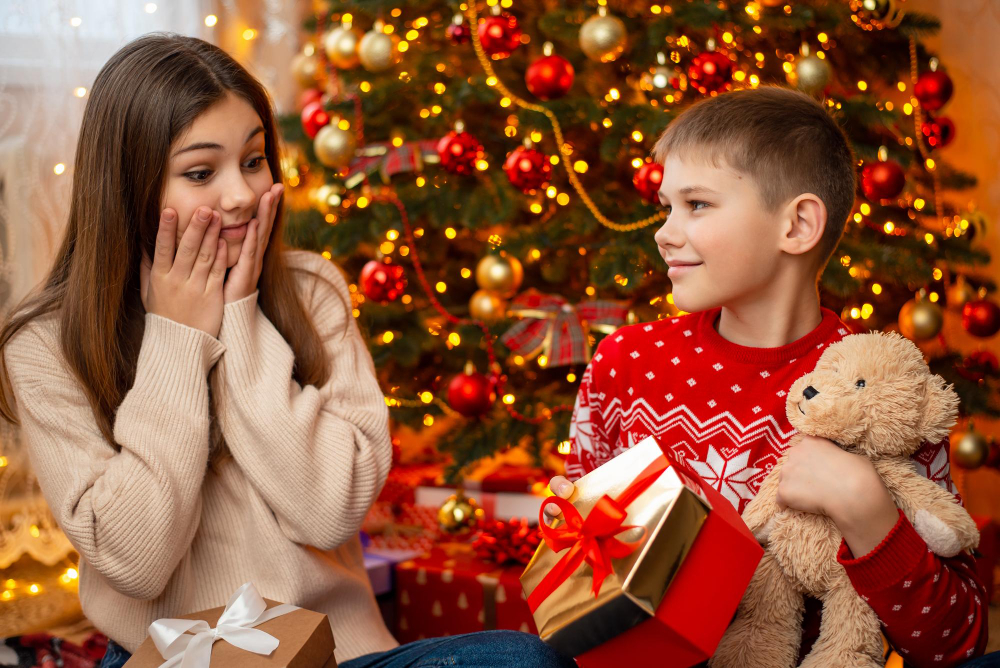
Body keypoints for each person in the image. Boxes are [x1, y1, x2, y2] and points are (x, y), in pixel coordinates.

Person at [0, 33, 574, 668]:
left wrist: (240, 317)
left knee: (519, 659)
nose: (243, 195)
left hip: (336, 658)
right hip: (176, 661)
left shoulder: (311, 290)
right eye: (201, 172)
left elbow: (329, 513)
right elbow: (136, 562)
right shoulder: (45, 341)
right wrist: (177, 338)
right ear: (128, 186)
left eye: (254, 160)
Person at [547, 86, 992, 667]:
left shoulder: (879, 389)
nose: (664, 232)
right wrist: (568, 533)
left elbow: (959, 641)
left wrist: (867, 508)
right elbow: (577, 571)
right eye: (666, 206)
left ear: (798, 225)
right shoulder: (625, 361)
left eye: (697, 204)